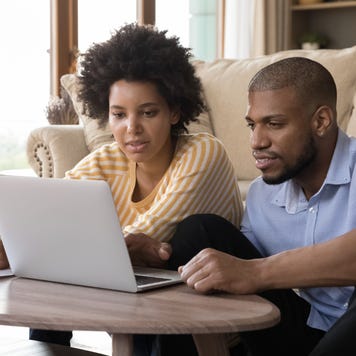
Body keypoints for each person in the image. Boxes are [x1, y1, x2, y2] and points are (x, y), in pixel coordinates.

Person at [4, 23, 240, 352]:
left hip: (214, 323)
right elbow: (49, 224)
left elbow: (158, 233)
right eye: (118, 114)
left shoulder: (204, 152)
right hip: (143, 300)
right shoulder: (107, 160)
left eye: (148, 112)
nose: (132, 130)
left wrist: (89, 247)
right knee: (49, 269)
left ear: (174, 112)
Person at [173, 57, 356, 356]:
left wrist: (257, 272)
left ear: (321, 121)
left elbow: (251, 271)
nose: (256, 142)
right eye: (251, 125)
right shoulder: (261, 195)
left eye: (274, 124)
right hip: (306, 329)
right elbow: (238, 265)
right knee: (199, 232)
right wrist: (157, 255)